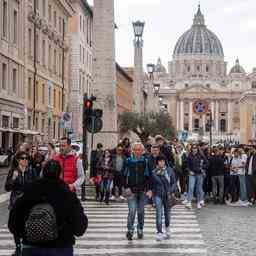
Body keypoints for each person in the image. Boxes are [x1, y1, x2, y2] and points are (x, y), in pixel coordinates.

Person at [8, 160, 88, 256]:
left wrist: (26, 233)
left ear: (43, 173)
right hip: (61, 247)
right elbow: (80, 227)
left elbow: (13, 222)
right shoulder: (67, 195)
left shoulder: (30, 192)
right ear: (60, 174)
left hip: (32, 247)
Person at [5, 151, 37, 256]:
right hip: (16, 202)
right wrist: (14, 177)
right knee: (15, 225)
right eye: (23, 158)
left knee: (27, 224)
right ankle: (18, 246)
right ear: (18, 160)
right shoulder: (13, 171)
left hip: (28, 202)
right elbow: (7, 187)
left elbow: (36, 185)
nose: (25, 160)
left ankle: (26, 245)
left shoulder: (31, 171)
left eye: (27, 158)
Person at [122, 142, 151, 240]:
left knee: (141, 212)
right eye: (136, 150)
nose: (137, 151)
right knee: (132, 211)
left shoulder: (145, 161)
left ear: (142, 151)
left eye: (139, 150)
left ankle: (140, 229)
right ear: (133, 151)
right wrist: (126, 187)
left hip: (142, 191)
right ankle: (130, 230)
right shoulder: (128, 161)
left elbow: (148, 176)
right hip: (131, 190)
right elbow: (123, 175)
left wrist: (148, 189)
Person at [150, 155, 176, 241]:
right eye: (160, 161)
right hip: (158, 195)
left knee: (167, 214)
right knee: (159, 213)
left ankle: (167, 228)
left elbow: (174, 182)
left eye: (163, 161)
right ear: (157, 162)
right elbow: (152, 184)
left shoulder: (170, 170)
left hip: (168, 195)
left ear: (165, 162)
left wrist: (171, 191)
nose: (161, 162)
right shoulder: (154, 172)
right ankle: (159, 232)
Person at [183, 144, 208, 209]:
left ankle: (199, 202)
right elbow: (186, 165)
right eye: (193, 148)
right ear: (191, 149)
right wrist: (189, 171)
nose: (194, 149)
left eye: (195, 148)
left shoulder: (201, 155)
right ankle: (189, 202)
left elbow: (207, 163)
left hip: (199, 174)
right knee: (191, 187)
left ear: (197, 149)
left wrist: (202, 169)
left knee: (199, 188)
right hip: (192, 174)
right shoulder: (189, 156)